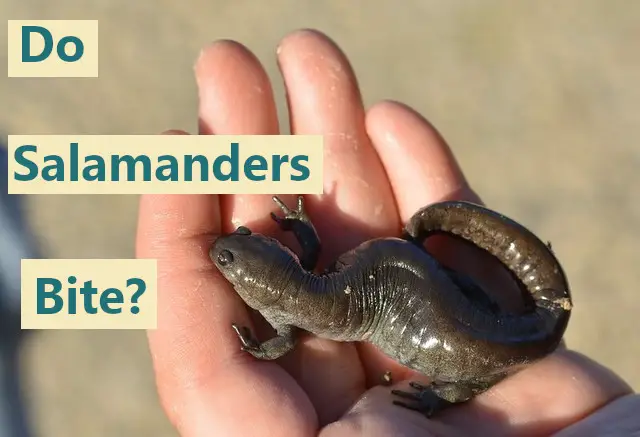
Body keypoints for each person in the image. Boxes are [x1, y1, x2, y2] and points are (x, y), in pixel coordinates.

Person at [136, 29, 639, 436]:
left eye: (242, 242)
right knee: (469, 321)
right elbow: (302, 267)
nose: (228, 250)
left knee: (462, 370)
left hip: (440, 318)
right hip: (425, 288)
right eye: (232, 258)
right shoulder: (291, 296)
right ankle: (464, 294)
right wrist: (297, 227)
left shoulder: (286, 317)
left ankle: (454, 371)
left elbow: (282, 341)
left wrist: (439, 397)